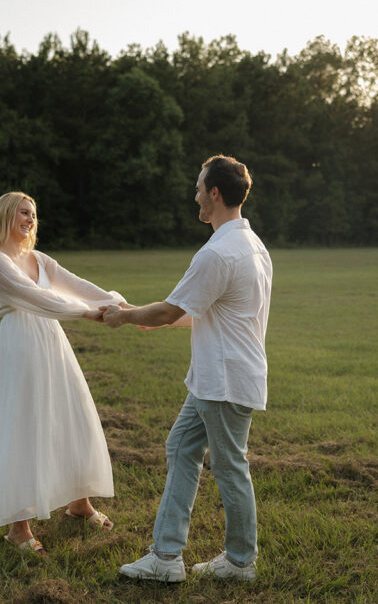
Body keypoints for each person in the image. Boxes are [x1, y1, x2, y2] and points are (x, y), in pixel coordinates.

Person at [102, 155, 272, 583]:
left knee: (230, 466)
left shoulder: (218, 252)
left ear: (214, 193)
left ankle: (239, 563)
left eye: (199, 188)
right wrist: (146, 316)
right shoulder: (251, 245)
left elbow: (174, 308)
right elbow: (204, 310)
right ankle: (166, 557)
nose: (195, 195)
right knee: (181, 447)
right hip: (216, 378)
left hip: (225, 379)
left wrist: (125, 315)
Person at [0, 191, 125, 555]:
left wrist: (116, 303)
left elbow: (75, 285)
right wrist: (87, 312)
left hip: (53, 344)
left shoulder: (38, 258)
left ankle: (78, 503)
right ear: (6, 216)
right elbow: (40, 299)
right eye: (23, 213)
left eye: (34, 214)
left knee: (71, 418)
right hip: (22, 347)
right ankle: (19, 528)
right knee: (25, 426)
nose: (30, 219)